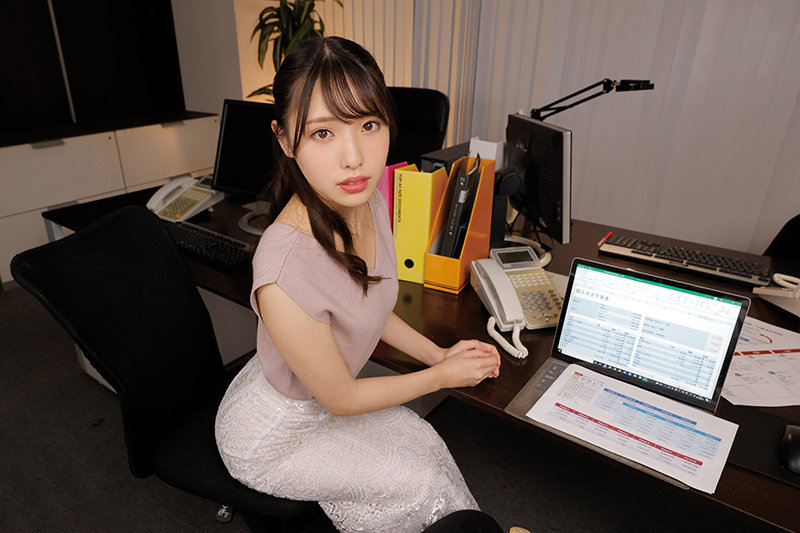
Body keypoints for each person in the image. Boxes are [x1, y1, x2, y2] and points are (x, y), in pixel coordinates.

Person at [215, 36, 501, 533]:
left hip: (318, 392)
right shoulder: (284, 269)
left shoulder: (366, 198)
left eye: (369, 125)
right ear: (285, 140)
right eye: (323, 133)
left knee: (426, 443)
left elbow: (368, 306)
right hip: (273, 436)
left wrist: (437, 354)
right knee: (417, 483)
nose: (355, 158)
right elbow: (343, 399)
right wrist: (441, 377)